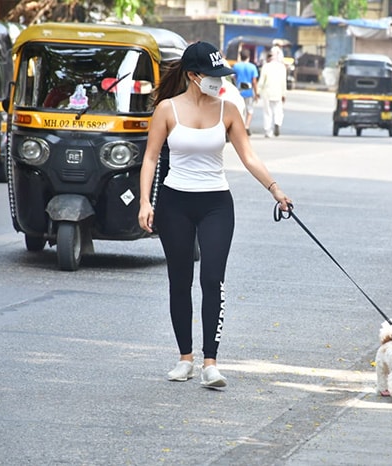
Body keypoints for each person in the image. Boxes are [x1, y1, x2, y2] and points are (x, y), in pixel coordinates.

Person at [137, 41, 292, 388]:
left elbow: (249, 156)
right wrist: (145, 202)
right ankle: (185, 359)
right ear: (193, 76)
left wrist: (275, 189)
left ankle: (210, 362)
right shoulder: (166, 110)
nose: (218, 81)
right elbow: (150, 158)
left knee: (211, 280)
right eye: (211, 75)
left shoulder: (229, 110)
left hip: (216, 204)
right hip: (175, 202)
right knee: (180, 281)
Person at [257, 46, 287, 138]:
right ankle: (277, 123)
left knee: (267, 112)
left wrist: (258, 92)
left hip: (267, 92)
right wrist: (284, 94)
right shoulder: (282, 67)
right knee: (278, 110)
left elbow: (261, 81)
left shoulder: (266, 66)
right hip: (278, 92)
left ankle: (268, 131)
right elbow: (283, 82)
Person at [232, 49, 259, 135]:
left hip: (239, 91)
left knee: (240, 110)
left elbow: (233, 77)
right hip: (249, 91)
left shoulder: (236, 66)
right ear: (249, 57)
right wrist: (256, 93)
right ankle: (246, 126)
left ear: (240, 56)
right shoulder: (253, 67)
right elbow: (254, 81)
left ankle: (240, 126)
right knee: (249, 110)